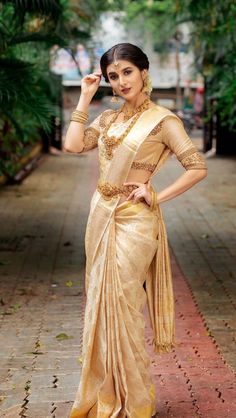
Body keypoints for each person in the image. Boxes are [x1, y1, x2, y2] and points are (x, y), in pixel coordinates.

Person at [64, 43, 207, 418]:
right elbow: (72, 144)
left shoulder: (164, 121)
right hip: (100, 215)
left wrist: (155, 193)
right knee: (100, 302)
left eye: (127, 71)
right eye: (113, 75)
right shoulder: (109, 120)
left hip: (135, 219)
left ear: (144, 72)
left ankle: (136, 400)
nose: (121, 80)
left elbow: (197, 167)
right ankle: (106, 393)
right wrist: (84, 96)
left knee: (124, 306)